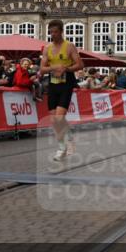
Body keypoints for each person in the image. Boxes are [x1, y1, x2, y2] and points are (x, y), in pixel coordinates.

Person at [40, 18, 84, 161]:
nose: (53, 35)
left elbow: (80, 64)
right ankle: (68, 136)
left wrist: (66, 69)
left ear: (61, 32)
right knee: (55, 119)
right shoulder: (47, 48)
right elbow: (41, 69)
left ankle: (61, 149)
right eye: (51, 32)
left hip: (66, 83)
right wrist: (53, 68)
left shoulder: (69, 46)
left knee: (59, 117)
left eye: (55, 32)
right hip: (53, 84)